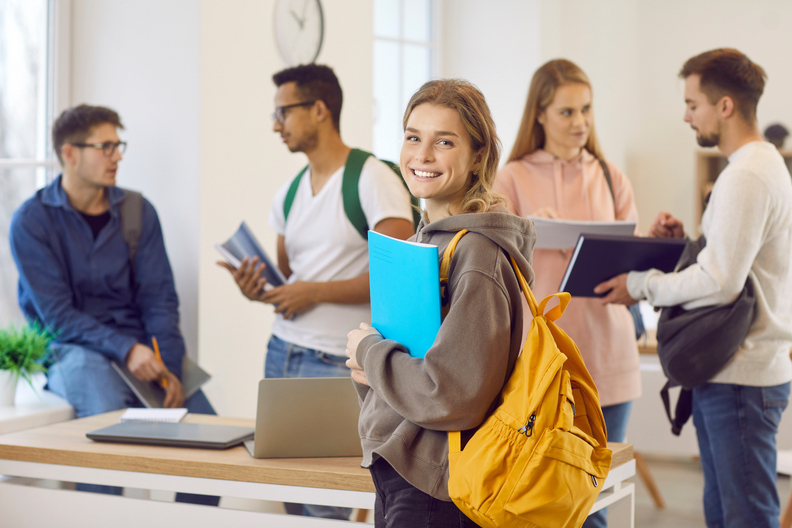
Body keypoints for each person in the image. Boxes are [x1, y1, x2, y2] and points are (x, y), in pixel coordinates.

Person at [597, 49, 792, 528]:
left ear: (724, 106)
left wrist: (640, 284)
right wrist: (685, 243)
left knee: (744, 517)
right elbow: (732, 262)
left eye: (692, 103)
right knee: (726, 514)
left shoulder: (745, 174)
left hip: (740, 378)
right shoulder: (761, 165)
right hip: (735, 374)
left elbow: (721, 283)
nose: (686, 116)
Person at [219, 64, 414, 519]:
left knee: (328, 501)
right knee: (291, 494)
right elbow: (289, 278)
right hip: (283, 353)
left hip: (337, 361)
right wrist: (259, 290)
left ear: (320, 109)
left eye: (283, 112)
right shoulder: (288, 194)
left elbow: (397, 277)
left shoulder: (371, 178)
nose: (275, 124)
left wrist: (312, 293)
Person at [345, 79, 536, 527]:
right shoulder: (420, 244)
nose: (422, 155)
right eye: (413, 137)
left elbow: (452, 394)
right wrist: (369, 364)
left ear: (478, 157)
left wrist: (371, 353)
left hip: (436, 486)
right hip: (403, 468)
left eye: (444, 142)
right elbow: (417, 365)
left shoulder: (478, 254)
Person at [9, 104, 217, 505]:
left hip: (140, 346)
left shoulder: (139, 211)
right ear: (69, 153)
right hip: (73, 349)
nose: (117, 155)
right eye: (106, 146)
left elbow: (159, 299)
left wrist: (168, 366)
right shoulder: (31, 222)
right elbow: (57, 317)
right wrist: (126, 349)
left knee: (213, 433)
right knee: (106, 419)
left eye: (118, 145)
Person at [493, 58, 640, 528]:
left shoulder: (612, 177)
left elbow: (631, 276)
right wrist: (531, 231)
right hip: (543, 363)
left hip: (610, 355)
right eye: (567, 112)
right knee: (551, 500)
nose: (580, 123)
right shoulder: (511, 177)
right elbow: (494, 270)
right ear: (539, 113)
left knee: (594, 497)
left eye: (586, 110)